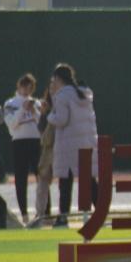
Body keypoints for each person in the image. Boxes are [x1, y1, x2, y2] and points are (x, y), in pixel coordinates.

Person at [47, 63, 98, 228]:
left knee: (65, 183)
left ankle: (63, 217)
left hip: (68, 145)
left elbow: (61, 119)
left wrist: (49, 116)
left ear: (58, 78)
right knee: (89, 180)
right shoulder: (84, 94)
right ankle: (101, 212)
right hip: (86, 142)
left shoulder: (62, 95)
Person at [4, 74, 42, 224]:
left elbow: (42, 123)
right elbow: (12, 125)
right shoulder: (10, 103)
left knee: (42, 177)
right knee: (21, 179)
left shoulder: (36, 103)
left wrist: (34, 111)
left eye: (30, 88)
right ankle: (24, 214)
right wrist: (22, 109)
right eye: (24, 87)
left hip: (36, 142)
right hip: (19, 143)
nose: (27, 91)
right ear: (19, 86)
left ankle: (43, 212)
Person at [27, 88, 55, 228]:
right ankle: (40, 213)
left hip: (60, 147)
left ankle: (45, 214)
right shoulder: (47, 109)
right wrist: (43, 113)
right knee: (43, 180)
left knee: (65, 182)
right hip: (49, 148)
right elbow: (41, 128)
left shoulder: (64, 105)